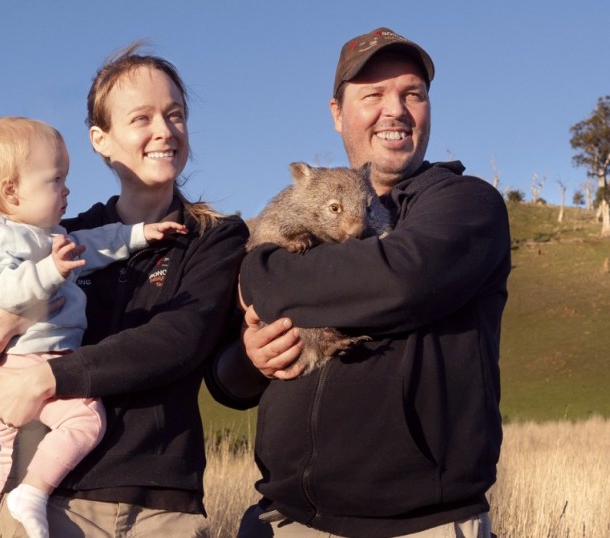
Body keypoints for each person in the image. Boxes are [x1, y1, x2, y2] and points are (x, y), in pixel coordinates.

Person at [206, 27, 511, 537]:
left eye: (412, 93)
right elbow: (226, 385)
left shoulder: (464, 205)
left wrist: (258, 273)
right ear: (336, 113)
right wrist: (250, 357)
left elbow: (398, 280)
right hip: (285, 520)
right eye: (373, 95)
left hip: (418, 525)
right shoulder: (303, 212)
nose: (395, 109)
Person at [0, 43, 249, 538]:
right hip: (47, 501)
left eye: (176, 115)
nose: (164, 131)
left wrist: (47, 379)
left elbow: (177, 340)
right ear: (100, 140)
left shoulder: (214, 237)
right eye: (141, 118)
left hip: (161, 506)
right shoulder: (56, 236)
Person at [0, 116, 186, 538]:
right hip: (25, 360)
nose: (67, 190)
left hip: (29, 361)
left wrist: (140, 234)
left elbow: (98, 243)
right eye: (56, 180)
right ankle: (32, 493)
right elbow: (2, 290)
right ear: (12, 190)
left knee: (8, 450)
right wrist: (50, 271)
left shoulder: (48, 234)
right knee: (84, 421)